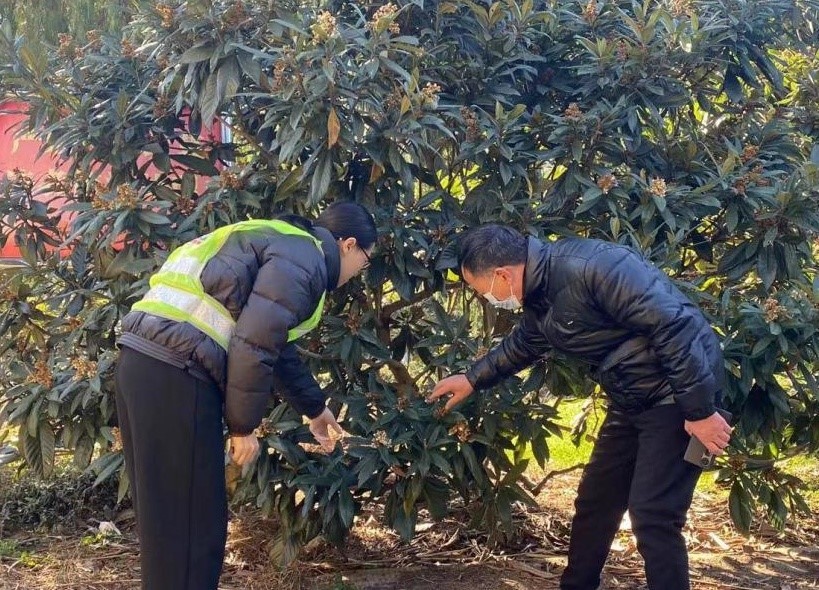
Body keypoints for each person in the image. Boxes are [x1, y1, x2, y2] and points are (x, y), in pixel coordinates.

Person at [427, 224, 732, 590]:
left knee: (654, 515)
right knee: (596, 502)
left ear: (503, 275)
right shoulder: (540, 294)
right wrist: (472, 379)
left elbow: (674, 326)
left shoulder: (595, 267)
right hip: (631, 397)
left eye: (483, 290)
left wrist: (700, 412)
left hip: (679, 393)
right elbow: (526, 343)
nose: (488, 298)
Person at [115, 201, 376, 590]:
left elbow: (275, 346)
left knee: (167, 524)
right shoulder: (304, 258)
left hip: (140, 364)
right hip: (179, 374)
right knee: (194, 528)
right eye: (365, 263)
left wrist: (315, 409)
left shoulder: (278, 240)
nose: (358, 273)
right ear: (348, 245)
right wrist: (243, 426)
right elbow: (255, 343)